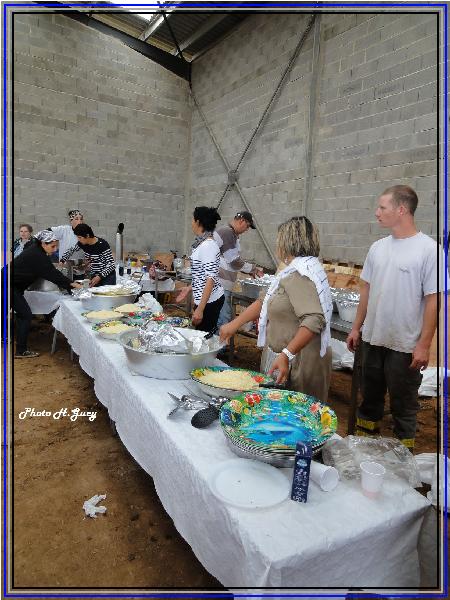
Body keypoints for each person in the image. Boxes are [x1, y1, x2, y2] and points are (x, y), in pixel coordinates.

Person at [346, 185, 445, 450]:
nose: (377, 212)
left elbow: (433, 301)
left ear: (401, 210)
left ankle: (404, 460)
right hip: (372, 339)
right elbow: (366, 291)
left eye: (382, 207)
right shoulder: (377, 248)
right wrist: (356, 328)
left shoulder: (429, 251)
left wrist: (423, 345)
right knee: (369, 400)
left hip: (405, 346)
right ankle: (364, 450)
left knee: (404, 406)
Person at [220, 216, 333, 403]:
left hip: (301, 361)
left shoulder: (301, 275)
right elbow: (265, 300)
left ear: (288, 242)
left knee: (294, 413)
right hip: (288, 356)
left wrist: (287, 354)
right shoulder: (292, 270)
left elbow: (314, 319)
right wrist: (234, 325)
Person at [12, 230, 82, 358]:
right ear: (43, 243)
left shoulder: (35, 248)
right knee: (25, 315)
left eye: (56, 246)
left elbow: (50, 271)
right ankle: (21, 351)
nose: (55, 250)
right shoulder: (37, 255)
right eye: (53, 246)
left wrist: (69, 284)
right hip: (8, 285)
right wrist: (72, 284)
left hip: (10, 284)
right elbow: (53, 274)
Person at [176, 207, 224, 332]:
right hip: (205, 300)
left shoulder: (208, 246)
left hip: (210, 302)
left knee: (204, 337)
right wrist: (189, 288)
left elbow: (211, 279)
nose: (191, 223)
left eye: (192, 219)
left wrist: (200, 309)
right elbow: (202, 275)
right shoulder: (202, 244)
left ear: (198, 222)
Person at [213, 211, 262, 329]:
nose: (247, 230)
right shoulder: (227, 233)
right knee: (223, 319)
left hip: (220, 283)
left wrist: (249, 270)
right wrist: (253, 269)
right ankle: (220, 340)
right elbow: (234, 262)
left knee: (221, 317)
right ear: (242, 221)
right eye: (247, 226)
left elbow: (233, 260)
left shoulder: (231, 234)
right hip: (219, 284)